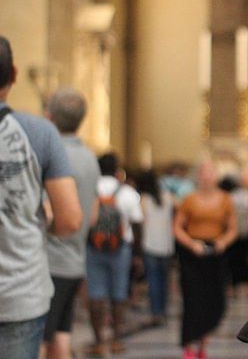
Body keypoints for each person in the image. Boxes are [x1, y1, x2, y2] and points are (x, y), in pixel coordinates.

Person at [0, 37, 82, 359]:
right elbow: (71, 219)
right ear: (15, 74)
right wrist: (38, 222)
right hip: (19, 293)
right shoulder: (40, 133)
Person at [43, 88, 101, 359]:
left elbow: (50, 212)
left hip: (50, 261)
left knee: (41, 340)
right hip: (75, 260)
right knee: (61, 335)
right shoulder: (90, 158)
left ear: (49, 116)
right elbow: (91, 216)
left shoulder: (53, 155)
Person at [174, 160, 237, 359]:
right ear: (199, 176)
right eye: (204, 172)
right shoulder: (189, 199)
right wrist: (191, 243)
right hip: (193, 254)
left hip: (215, 253)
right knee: (193, 300)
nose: (208, 177)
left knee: (213, 301)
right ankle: (189, 344)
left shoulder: (225, 199)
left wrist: (223, 242)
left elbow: (233, 228)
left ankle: (203, 342)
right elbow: (177, 227)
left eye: (211, 172)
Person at [86, 153, 144, 356]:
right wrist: (138, 255)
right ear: (117, 169)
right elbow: (137, 223)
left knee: (95, 294)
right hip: (121, 248)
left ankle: (98, 340)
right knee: (119, 294)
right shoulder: (127, 192)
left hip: (94, 247)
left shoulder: (91, 189)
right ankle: (117, 339)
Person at [137, 169, 175, 325]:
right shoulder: (167, 197)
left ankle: (156, 313)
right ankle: (164, 310)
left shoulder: (143, 199)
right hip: (166, 245)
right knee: (164, 280)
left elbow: (140, 222)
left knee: (153, 281)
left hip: (150, 245)